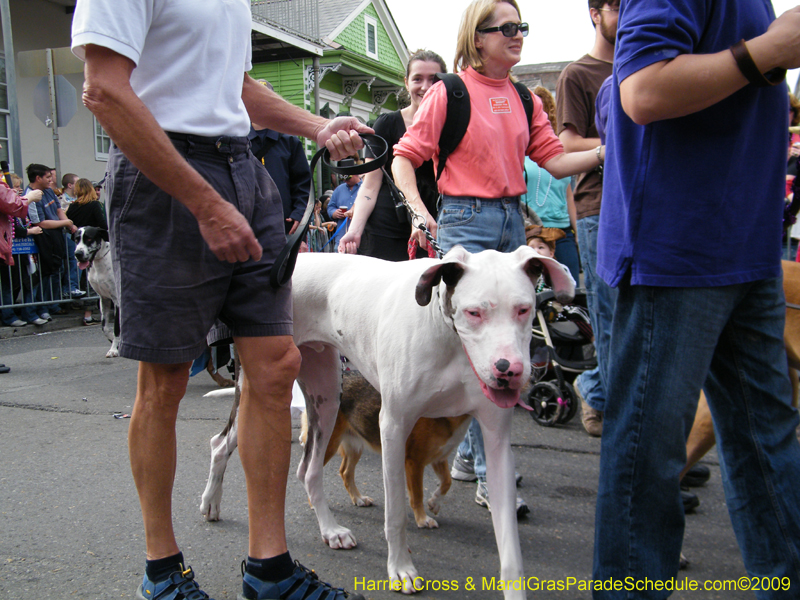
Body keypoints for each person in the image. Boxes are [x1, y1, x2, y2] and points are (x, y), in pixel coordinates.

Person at [71, 1, 370, 599]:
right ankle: (162, 573)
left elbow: (232, 85)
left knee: (277, 365)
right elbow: (103, 90)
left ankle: (269, 569)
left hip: (244, 166)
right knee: (165, 378)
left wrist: (315, 126)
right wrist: (204, 202)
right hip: (162, 176)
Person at [592, 2, 800, 595]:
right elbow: (641, 93)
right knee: (648, 455)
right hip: (676, 251)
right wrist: (768, 51)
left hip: (746, 249)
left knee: (766, 442)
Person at [392, 0, 605, 518]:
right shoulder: (450, 91)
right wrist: (423, 218)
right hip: (463, 222)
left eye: (521, 27)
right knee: (472, 349)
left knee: (503, 345)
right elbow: (404, 157)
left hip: (512, 222)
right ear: (478, 36)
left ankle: (472, 461)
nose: (517, 35)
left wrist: (608, 150)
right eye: (506, 28)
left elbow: (554, 160)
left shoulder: (526, 98)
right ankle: (493, 476)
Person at [554, 0, 619, 438]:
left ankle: (595, 387)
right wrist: (624, 138)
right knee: (610, 320)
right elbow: (568, 145)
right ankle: (616, 409)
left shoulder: (646, 64)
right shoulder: (579, 75)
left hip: (646, 211)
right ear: (596, 12)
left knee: (637, 324)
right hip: (600, 208)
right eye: (621, 6)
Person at [339, 49, 446, 260]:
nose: (425, 87)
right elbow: (370, 185)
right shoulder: (387, 124)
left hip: (434, 228)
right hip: (385, 230)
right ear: (407, 83)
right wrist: (356, 230)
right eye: (418, 79)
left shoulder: (452, 126)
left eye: (433, 80)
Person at [521, 86, 580, 282]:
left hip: (562, 233)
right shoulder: (518, 150)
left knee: (568, 287)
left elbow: (569, 195)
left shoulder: (561, 151)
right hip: (531, 233)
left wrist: (578, 232)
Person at [249, 81, 312, 236]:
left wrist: (299, 216)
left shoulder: (289, 141)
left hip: (284, 227)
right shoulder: (237, 139)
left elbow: (303, 184)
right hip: (248, 225)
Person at [25, 164, 74, 320]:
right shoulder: (31, 195)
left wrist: (70, 224)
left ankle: (48, 305)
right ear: (38, 178)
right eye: (47, 177)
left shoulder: (48, 191)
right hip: (43, 238)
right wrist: (66, 223)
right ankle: (36, 309)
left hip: (56, 236)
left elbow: (59, 210)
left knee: (55, 271)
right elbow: (40, 223)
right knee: (42, 275)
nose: (51, 179)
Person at [1, 164, 43, 331]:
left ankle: (28, 313)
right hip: (10, 249)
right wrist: (28, 198)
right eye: (14, 187)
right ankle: (8, 315)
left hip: (19, 251)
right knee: (8, 284)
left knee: (23, 281)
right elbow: (14, 221)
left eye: (18, 187)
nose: (17, 190)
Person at [67, 178, 108, 325]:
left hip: (78, 245)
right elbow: (103, 225)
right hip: (94, 247)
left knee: (87, 279)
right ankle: (91, 313)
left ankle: (87, 314)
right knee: (98, 278)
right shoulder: (95, 205)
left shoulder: (72, 207)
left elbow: (69, 226)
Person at [327, 174, 361, 249]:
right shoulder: (339, 189)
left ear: (356, 174)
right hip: (341, 237)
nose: (345, 181)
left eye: (348, 178)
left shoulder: (365, 188)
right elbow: (330, 207)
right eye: (343, 179)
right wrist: (334, 213)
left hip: (361, 238)